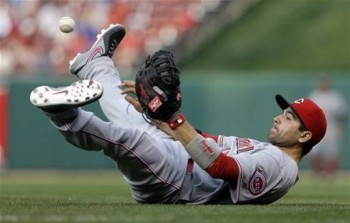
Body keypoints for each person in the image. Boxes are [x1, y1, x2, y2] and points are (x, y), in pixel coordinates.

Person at [30, 24, 327, 205]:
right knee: (131, 114)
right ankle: (94, 65)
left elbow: (220, 168)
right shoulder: (270, 152)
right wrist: (162, 121)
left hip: (176, 184)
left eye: (289, 117)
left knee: (125, 139)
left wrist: (173, 116)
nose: (278, 118)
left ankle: (65, 116)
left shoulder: (282, 168)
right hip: (176, 158)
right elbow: (204, 141)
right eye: (283, 112)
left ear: (304, 136)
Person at [308, 76, 348, 177]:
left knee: (332, 151)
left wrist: (340, 125)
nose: (323, 85)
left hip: (331, 127)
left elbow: (341, 113)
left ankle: (330, 174)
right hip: (317, 127)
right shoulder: (314, 95)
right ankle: (317, 173)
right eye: (321, 82)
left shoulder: (334, 96)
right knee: (314, 150)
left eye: (325, 82)